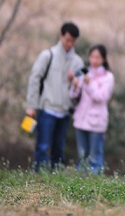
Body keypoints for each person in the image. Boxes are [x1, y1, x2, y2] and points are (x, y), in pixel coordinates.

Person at [25, 22, 85, 171]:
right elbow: (34, 78)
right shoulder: (48, 55)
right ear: (61, 36)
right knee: (43, 146)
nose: (70, 44)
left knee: (59, 149)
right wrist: (31, 105)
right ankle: (40, 180)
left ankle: (56, 181)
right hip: (47, 108)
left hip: (65, 111)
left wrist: (75, 82)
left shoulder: (78, 62)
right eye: (67, 40)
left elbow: (81, 89)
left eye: (73, 41)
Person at [70, 44, 115, 174]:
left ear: (104, 59)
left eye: (97, 57)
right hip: (81, 119)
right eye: (92, 57)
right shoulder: (83, 72)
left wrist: (89, 84)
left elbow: (101, 97)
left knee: (95, 156)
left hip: (96, 121)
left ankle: (95, 183)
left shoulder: (108, 77)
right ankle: (80, 183)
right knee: (82, 155)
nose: (94, 60)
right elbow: (73, 96)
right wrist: (74, 86)